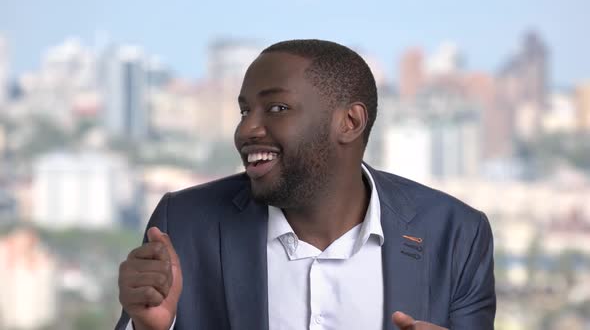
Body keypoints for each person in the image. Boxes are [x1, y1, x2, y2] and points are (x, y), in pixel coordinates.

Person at [115, 39, 495, 330]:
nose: (246, 129)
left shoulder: (456, 234)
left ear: (349, 122)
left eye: (277, 108)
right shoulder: (185, 223)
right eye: (245, 111)